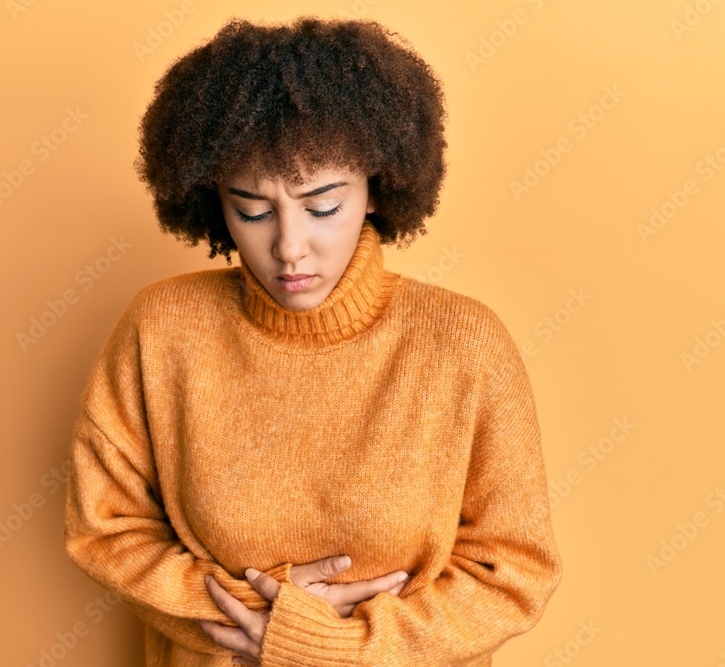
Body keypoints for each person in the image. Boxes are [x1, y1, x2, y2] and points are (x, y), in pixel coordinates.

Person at [63, 15, 562, 667]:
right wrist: (254, 610)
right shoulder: (161, 330)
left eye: (322, 206)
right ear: (214, 200)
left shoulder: (464, 344)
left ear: (377, 188)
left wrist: (329, 644)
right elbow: (105, 530)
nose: (289, 246)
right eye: (252, 209)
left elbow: (513, 572)